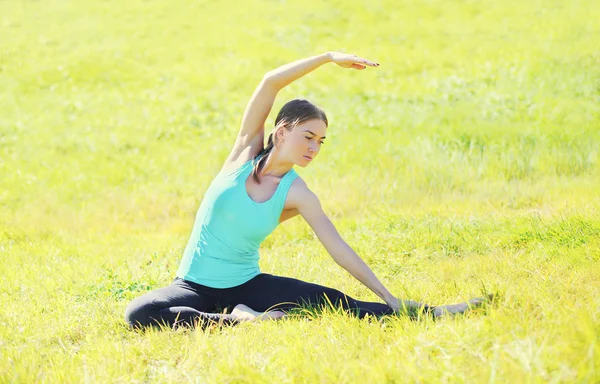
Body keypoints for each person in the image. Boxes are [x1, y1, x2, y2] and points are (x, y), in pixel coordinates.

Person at [124, 52, 490, 330]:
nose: (314, 147)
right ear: (281, 132)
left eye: (321, 141)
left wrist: (389, 297)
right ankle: (240, 321)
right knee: (140, 311)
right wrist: (329, 57)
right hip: (192, 286)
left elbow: (339, 250)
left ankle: (433, 312)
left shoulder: (297, 193)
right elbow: (270, 82)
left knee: (336, 302)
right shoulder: (243, 154)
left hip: (249, 285)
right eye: (308, 137)